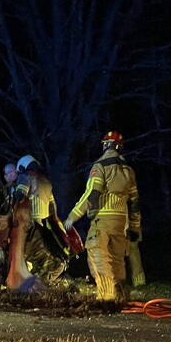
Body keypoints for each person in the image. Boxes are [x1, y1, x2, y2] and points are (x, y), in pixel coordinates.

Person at [64, 131, 141, 308]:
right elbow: (135, 203)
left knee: (97, 254)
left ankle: (106, 297)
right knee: (116, 258)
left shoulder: (100, 166)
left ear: (106, 145)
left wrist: (73, 216)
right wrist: (135, 227)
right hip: (121, 222)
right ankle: (120, 295)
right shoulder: (128, 170)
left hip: (102, 220)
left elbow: (92, 193)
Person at [11, 155, 67, 285]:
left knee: (25, 257)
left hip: (28, 227)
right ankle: (39, 282)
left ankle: (31, 285)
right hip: (42, 228)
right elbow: (53, 213)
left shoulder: (25, 177)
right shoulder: (47, 183)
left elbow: (20, 196)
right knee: (44, 261)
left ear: (22, 167)